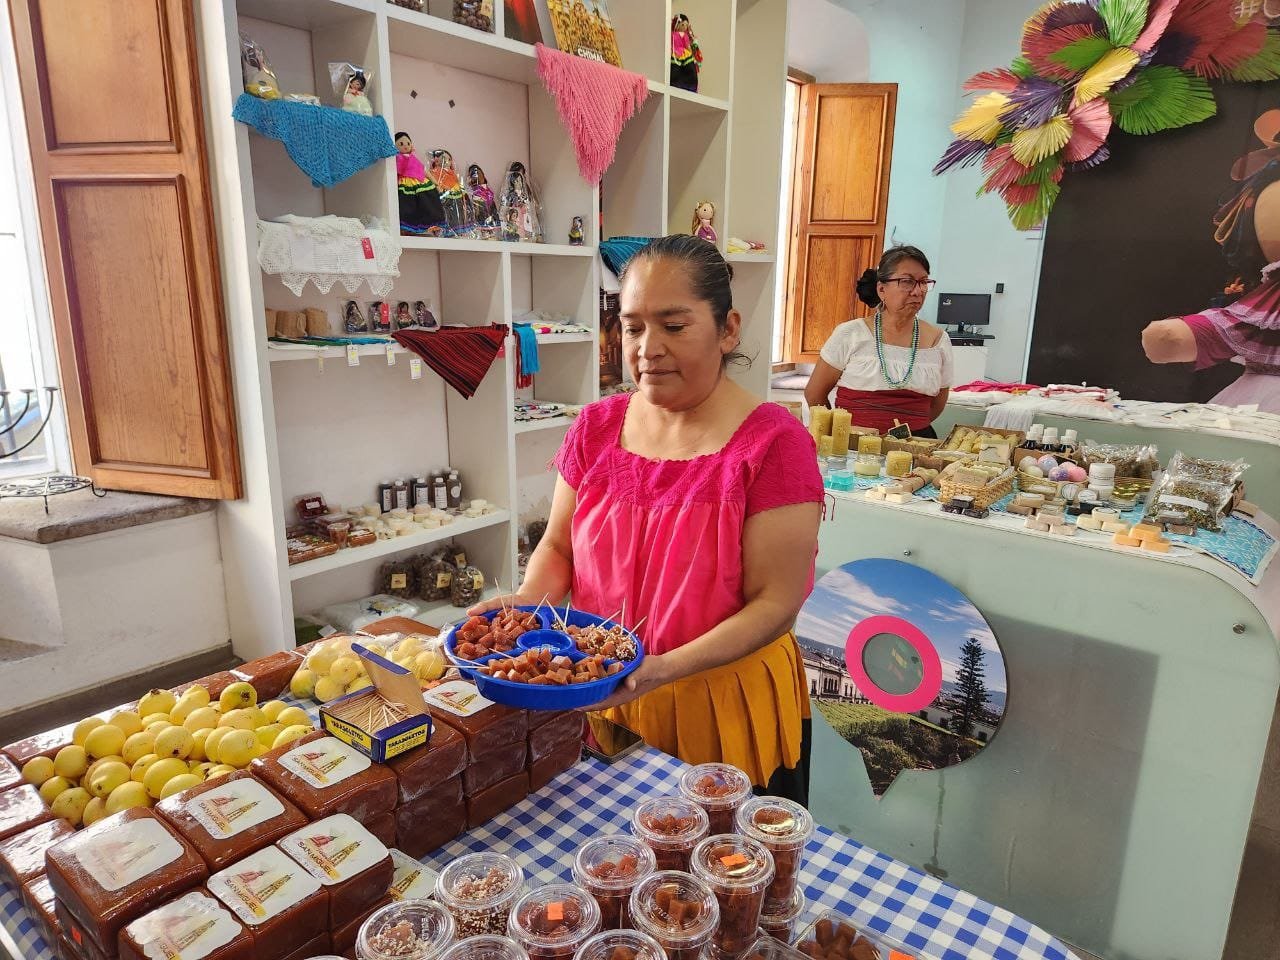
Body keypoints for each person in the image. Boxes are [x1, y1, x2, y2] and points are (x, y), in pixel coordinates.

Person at [471, 235, 824, 802]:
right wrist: (528, 607)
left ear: (728, 329)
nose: (647, 348)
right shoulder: (596, 427)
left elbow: (775, 603)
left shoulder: (774, 446)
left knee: (712, 852)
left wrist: (662, 668)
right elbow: (558, 547)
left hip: (720, 706)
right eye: (633, 327)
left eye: (674, 326)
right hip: (600, 689)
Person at [803, 246, 953, 436]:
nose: (918, 291)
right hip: (853, 444)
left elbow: (938, 403)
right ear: (882, 289)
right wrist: (837, 433)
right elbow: (815, 393)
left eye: (923, 282)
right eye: (907, 281)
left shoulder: (938, 340)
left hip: (917, 443)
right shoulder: (850, 334)